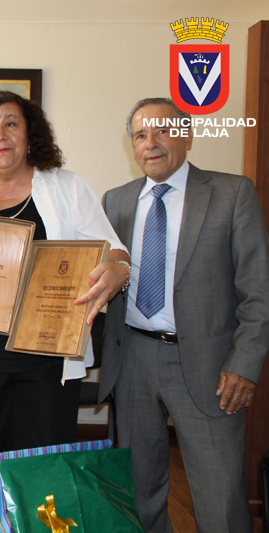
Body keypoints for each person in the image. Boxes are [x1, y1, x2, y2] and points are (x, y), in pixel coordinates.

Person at [0, 90, 130, 533]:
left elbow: (112, 249)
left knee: (47, 475)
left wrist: (119, 269)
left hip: (48, 360)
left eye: (10, 123)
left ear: (29, 133)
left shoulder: (67, 188)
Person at [99, 97, 269, 533]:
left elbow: (259, 292)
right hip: (132, 359)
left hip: (211, 367)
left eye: (162, 131)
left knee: (220, 496)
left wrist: (244, 365)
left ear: (187, 136)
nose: (151, 143)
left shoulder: (232, 193)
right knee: (138, 491)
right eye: (140, 135)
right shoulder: (116, 201)